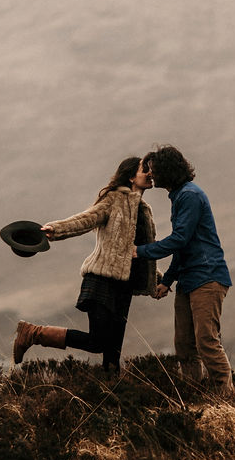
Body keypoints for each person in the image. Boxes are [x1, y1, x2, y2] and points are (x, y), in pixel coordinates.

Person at [12, 156, 158, 372]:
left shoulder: (143, 210)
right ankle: (33, 333)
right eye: (144, 169)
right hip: (101, 281)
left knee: (113, 351)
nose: (150, 173)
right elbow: (86, 219)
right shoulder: (113, 199)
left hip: (123, 287)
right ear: (130, 176)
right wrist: (55, 229)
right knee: (98, 341)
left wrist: (157, 278)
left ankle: (111, 397)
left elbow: (136, 252)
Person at [136, 145, 234, 392]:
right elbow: (183, 246)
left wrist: (140, 251)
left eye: (154, 169)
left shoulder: (190, 195)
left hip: (207, 277)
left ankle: (227, 398)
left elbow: (179, 239)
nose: (151, 174)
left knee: (206, 342)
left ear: (167, 170)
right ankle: (194, 395)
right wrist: (168, 280)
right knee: (184, 345)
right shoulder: (180, 196)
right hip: (189, 279)